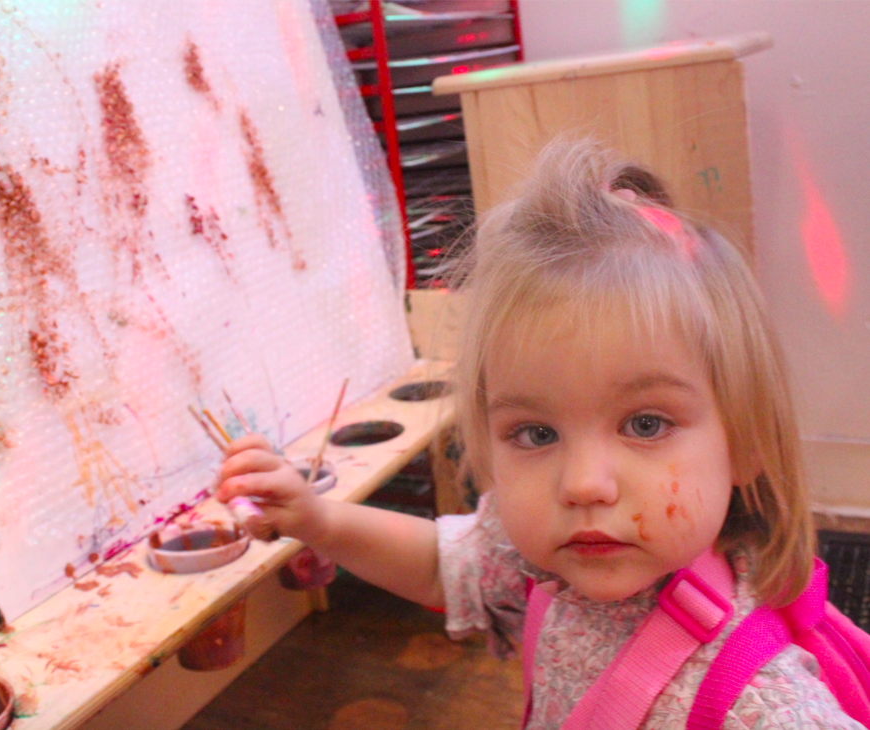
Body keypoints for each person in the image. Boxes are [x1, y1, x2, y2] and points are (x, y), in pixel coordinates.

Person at [216, 138, 862, 728]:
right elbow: (445, 570)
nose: (583, 484)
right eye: (534, 433)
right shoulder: (537, 565)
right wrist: (318, 520)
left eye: (644, 424)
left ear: (745, 438)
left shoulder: (762, 705)